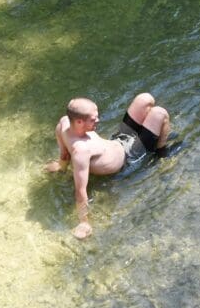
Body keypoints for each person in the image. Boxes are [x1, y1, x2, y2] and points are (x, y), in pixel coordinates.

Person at [45, 93, 171, 239]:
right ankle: (162, 153)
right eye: (93, 119)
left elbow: (64, 153)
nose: (98, 120)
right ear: (79, 122)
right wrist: (84, 222)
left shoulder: (65, 122)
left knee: (145, 98)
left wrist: (61, 164)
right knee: (160, 113)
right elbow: (80, 192)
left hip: (119, 138)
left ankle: (153, 140)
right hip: (131, 155)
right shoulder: (81, 151)